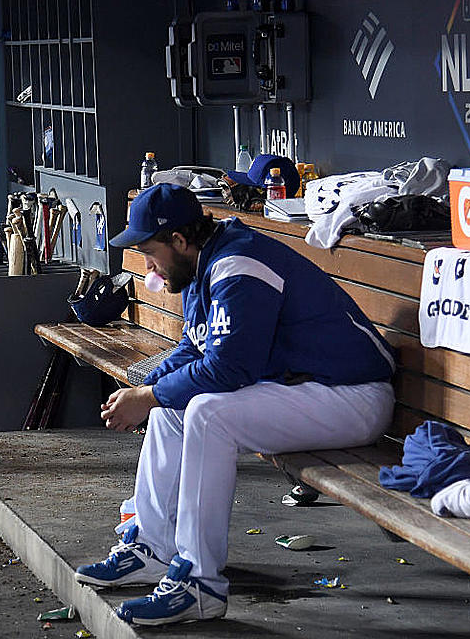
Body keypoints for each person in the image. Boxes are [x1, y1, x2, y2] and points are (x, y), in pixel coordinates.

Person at [75, 183, 397, 625]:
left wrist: (145, 397)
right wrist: (145, 390)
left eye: (150, 251)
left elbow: (229, 369)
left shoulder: (238, 264)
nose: (147, 265)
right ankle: (152, 547)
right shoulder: (200, 261)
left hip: (353, 396)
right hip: (306, 391)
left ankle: (199, 584)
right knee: (173, 408)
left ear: (179, 240)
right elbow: (196, 347)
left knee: (208, 414)